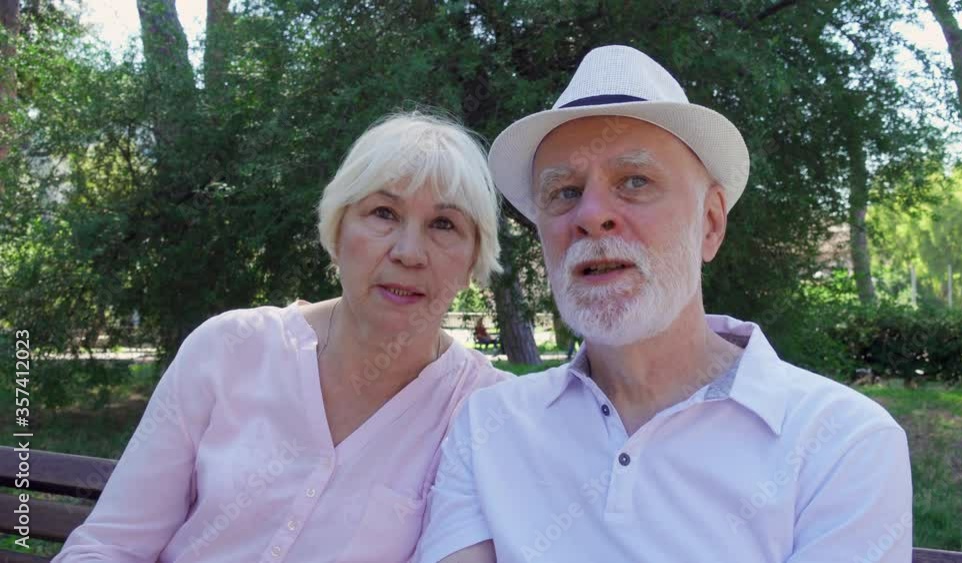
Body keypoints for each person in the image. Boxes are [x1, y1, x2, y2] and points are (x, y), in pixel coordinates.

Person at [416, 46, 912, 562]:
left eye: (635, 181)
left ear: (710, 224)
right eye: (564, 191)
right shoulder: (489, 427)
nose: (591, 216)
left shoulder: (841, 443)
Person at [53, 110, 509, 562]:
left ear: (473, 259)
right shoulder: (228, 349)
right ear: (337, 230)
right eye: (384, 213)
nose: (409, 253)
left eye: (444, 224)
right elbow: (110, 546)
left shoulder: (485, 412)